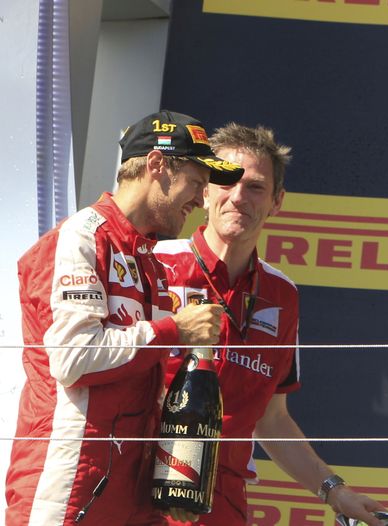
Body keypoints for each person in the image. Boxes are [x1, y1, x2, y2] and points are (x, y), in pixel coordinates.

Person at [5, 110, 243, 526]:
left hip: (129, 496)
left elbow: (140, 379)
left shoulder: (147, 261)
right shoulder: (81, 237)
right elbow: (74, 359)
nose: (200, 199)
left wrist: (169, 480)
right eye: (195, 183)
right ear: (156, 166)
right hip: (66, 490)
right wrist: (175, 329)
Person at [153, 123, 385, 525]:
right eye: (226, 181)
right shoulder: (155, 263)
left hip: (220, 501)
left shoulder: (282, 295)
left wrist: (334, 490)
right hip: (141, 487)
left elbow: (271, 418)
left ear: (277, 201)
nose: (239, 196)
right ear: (205, 190)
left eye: (256, 187)